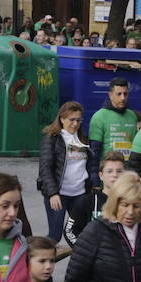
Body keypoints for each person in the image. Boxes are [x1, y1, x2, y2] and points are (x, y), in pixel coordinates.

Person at [39, 102, 97, 242]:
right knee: (55, 235)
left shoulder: (83, 139)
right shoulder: (52, 138)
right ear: (62, 119)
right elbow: (45, 168)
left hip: (80, 194)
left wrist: (94, 185)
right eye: (72, 120)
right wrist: (53, 193)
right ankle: (44, 261)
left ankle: (81, 262)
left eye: (78, 120)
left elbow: (91, 165)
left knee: (83, 234)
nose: (75, 124)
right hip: (59, 194)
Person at [88, 77, 141, 161]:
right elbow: (94, 151)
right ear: (110, 95)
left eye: (125, 94)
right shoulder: (99, 116)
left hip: (127, 169)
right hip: (108, 170)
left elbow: (135, 147)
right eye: (119, 94)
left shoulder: (132, 115)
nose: (123, 98)